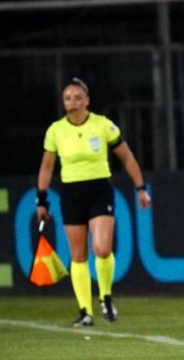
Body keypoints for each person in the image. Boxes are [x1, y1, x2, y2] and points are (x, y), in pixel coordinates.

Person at [35, 77, 151, 327]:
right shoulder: (56, 130)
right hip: (71, 193)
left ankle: (105, 297)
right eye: (68, 98)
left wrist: (140, 187)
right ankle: (85, 312)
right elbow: (47, 167)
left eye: (78, 97)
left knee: (102, 248)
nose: (73, 102)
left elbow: (127, 157)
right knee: (78, 254)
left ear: (87, 100)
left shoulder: (102, 125)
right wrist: (41, 200)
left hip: (99, 190)